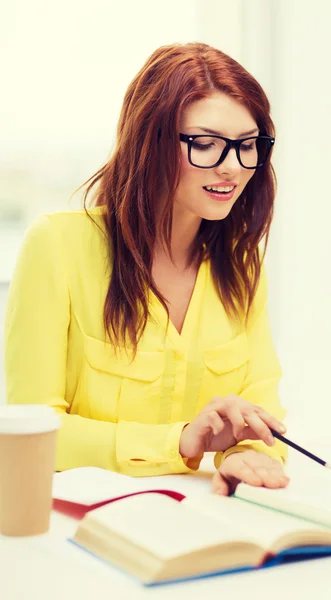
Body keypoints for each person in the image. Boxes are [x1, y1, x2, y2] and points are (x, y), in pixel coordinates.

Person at [4, 42, 290, 496]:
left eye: (248, 145)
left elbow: (260, 409)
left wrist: (248, 455)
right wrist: (177, 441)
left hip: (204, 516)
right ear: (149, 140)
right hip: (82, 527)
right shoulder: (58, 246)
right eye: (206, 143)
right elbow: (32, 432)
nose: (233, 166)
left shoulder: (241, 265)